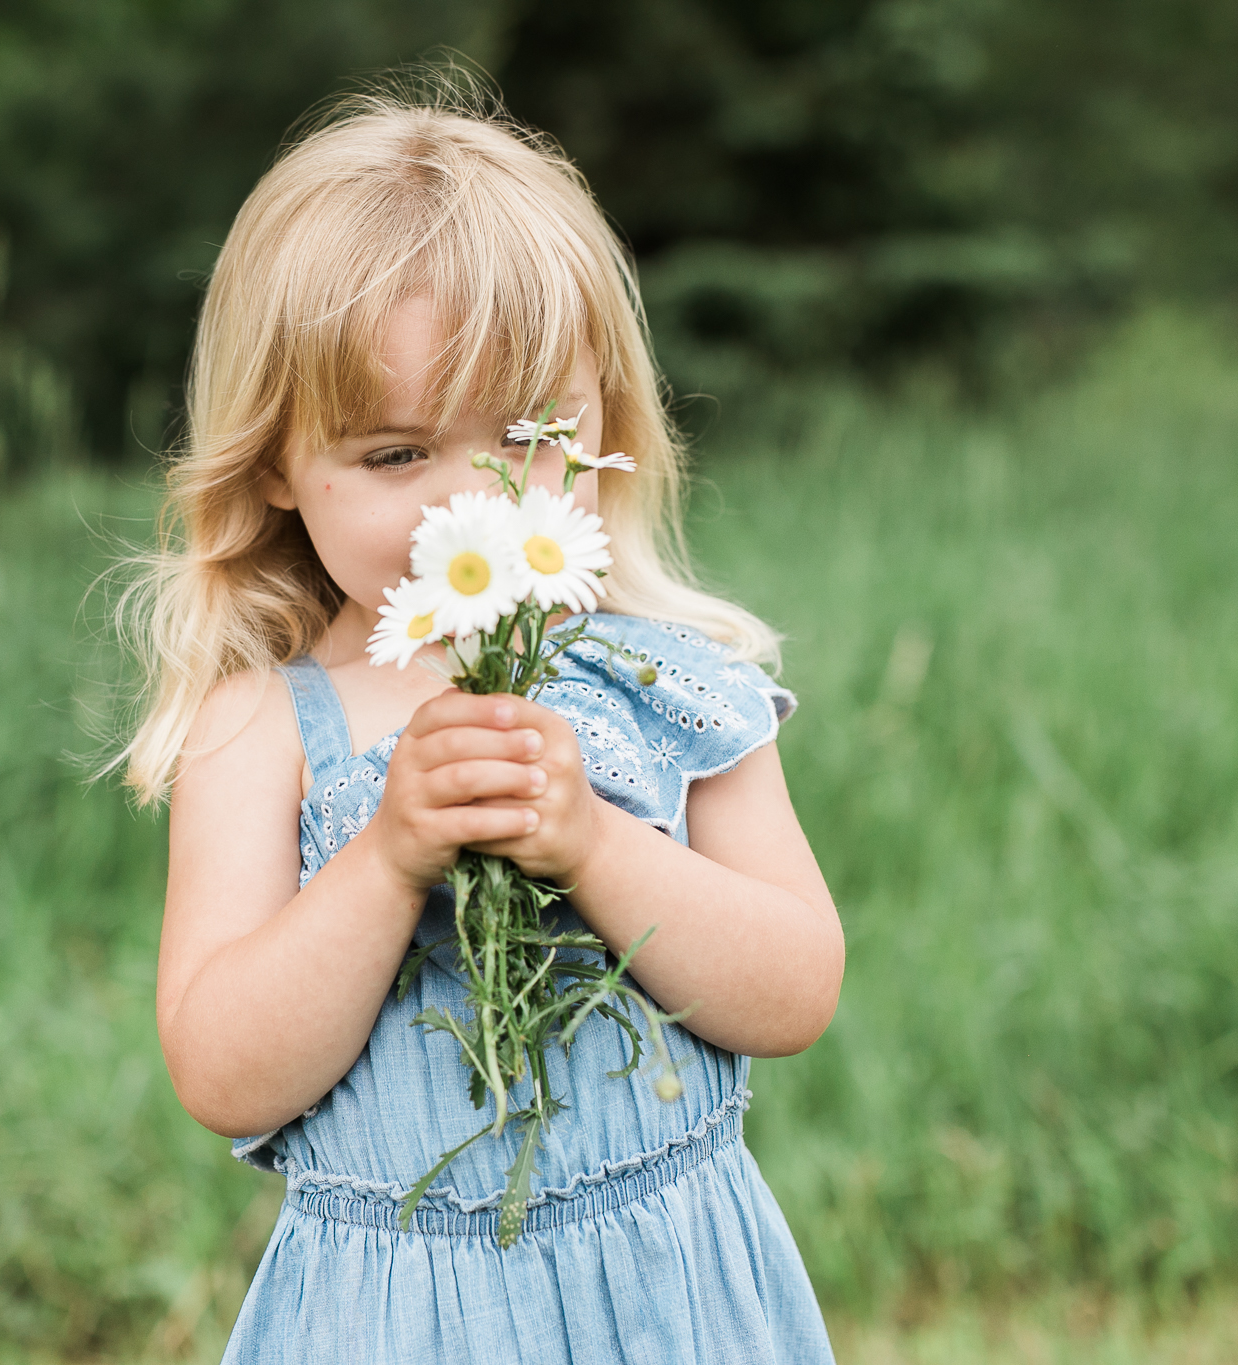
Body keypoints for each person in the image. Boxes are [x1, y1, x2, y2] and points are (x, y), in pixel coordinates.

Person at [111, 79, 845, 1364]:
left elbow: (792, 990)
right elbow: (223, 1074)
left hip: (666, 1294)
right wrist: (387, 857)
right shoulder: (263, 733)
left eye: (528, 436)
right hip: (398, 1317)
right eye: (395, 457)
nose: (475, 503)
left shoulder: (667, 682)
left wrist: (596, 846)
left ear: (606, 422)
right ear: (276, 463)